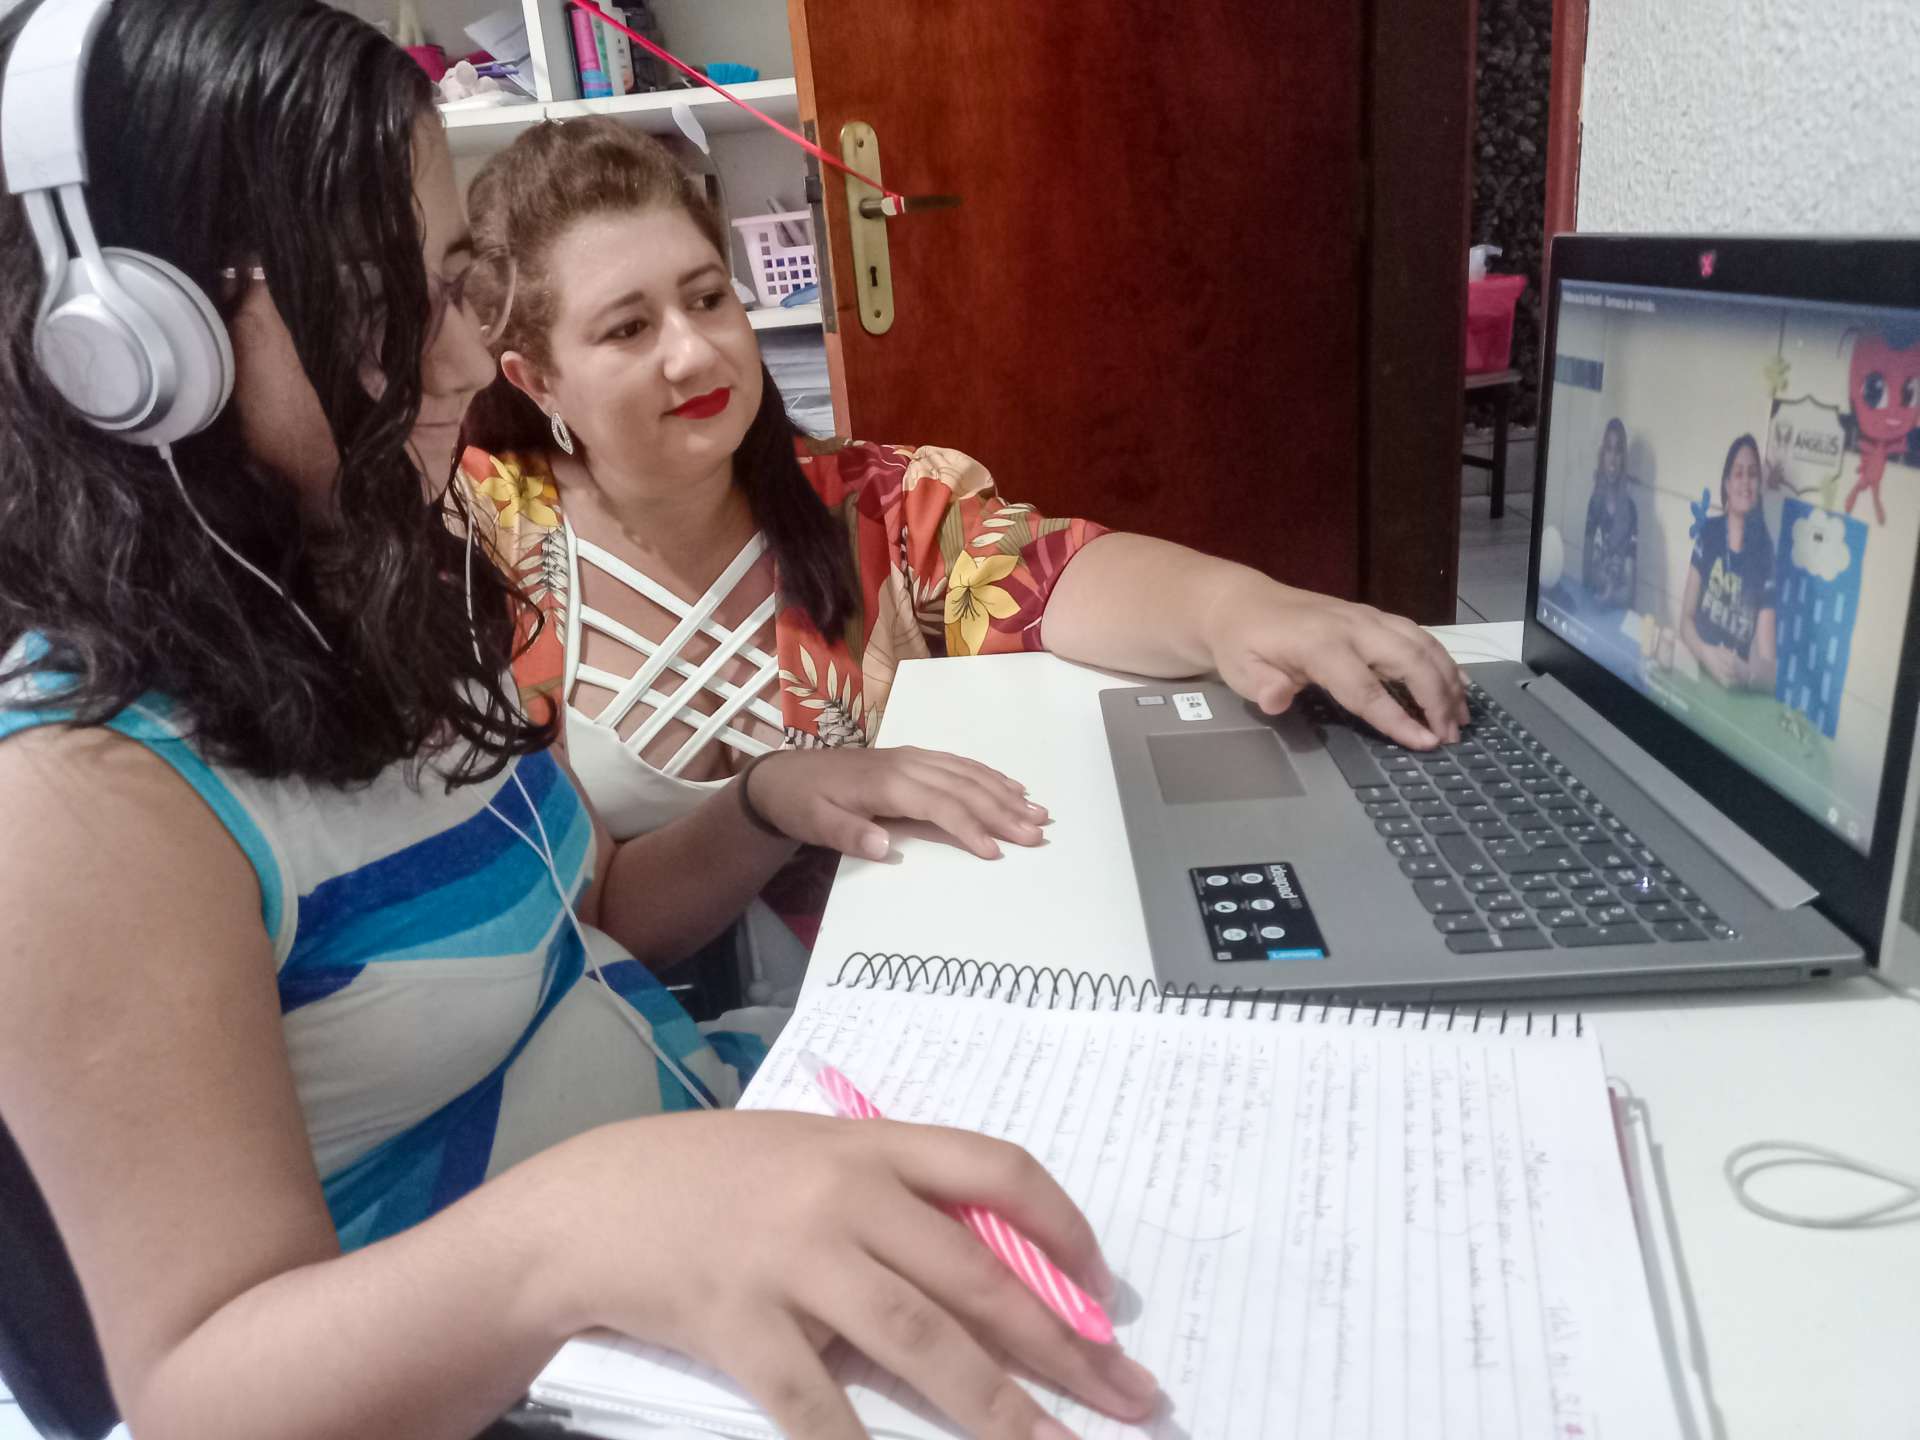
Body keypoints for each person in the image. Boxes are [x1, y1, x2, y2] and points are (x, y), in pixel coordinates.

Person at [0, 4, 1166, 1437]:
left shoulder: (387, 570)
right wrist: (576, 1226)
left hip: (697, 1182)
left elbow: (584, 908)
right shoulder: (78, 797)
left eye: (451, 286)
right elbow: (198, 1394)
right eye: (377, 295)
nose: (455, 359)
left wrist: (759, 804)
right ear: (125, 346)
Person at [457, 120, 1470, 971]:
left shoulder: (879, 503)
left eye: (708, 297)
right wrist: (764, 809)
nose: (695, 350)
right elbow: (585, 924)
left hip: (909, 978)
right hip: (638, 1046)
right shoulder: (474, 547)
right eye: (628, 329)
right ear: (536, 380)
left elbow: (1049, 570)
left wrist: (1236, 608)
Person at [1680, 433, 1777, 691]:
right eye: (1738, 473)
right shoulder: (1709, 533)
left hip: (1731, 687)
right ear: (1726, 484)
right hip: (1693, 670)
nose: (1745, 481)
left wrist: (1747, 673)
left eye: (1752, 474)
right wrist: (1705, 653)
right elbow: (1685, 620)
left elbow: (1769, 668)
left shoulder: (1766, 554)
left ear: (1759, 485)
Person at [1581, 418, 1638, 608]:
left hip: (1617, 610)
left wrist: (1611, 596)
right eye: (1608, 449)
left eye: (1618, 451)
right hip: (1592, 603)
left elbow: (1629, 593)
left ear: (1623, 460)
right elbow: (1586, 572)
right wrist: (1602, 583)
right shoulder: (1594, 504)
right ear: (1602, 455)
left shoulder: (1631, 511)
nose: (1612, 459)